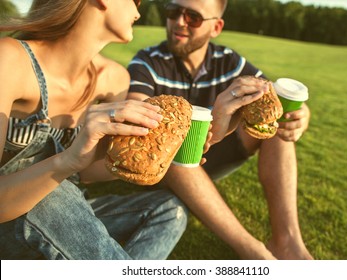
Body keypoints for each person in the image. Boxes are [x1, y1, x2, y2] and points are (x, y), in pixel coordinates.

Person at [0, 0, 188, 260]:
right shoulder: (9, 59)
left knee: (169, 209)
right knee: (56, 193)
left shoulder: (114, 78)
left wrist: (164, 151)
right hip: (11, 214)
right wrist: (67, 160)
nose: (138, 10)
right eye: (136, 1)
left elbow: (87, 172)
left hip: (71, 208)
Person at [127, 0, 313, 259]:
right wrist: (216, 119)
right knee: (174, 145)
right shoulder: (147, 62)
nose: (179, 21)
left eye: (193, 17)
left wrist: (300, 115)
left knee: (274, 124)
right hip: (167, 169)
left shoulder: (229, 62)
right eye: (173, 12)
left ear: (216, 27)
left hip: (213, 152)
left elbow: (270, 100)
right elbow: (135, 126)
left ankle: (288, 242)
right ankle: (253, 250)